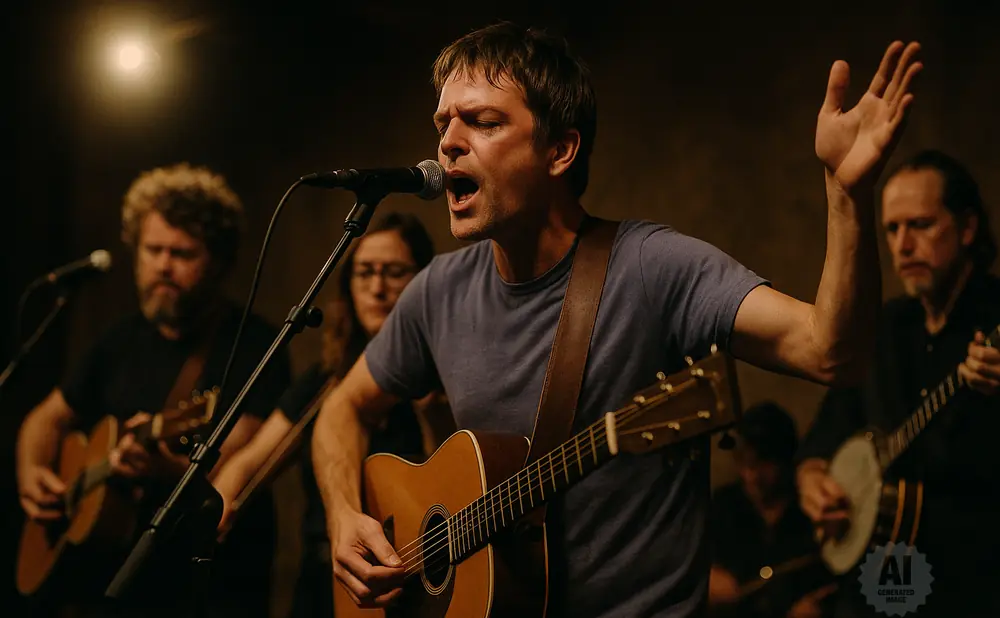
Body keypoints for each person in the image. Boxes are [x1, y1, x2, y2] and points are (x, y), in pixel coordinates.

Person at [311, 22, 925, 618]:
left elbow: (831, 352)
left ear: (560, 150)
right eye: (444, 123)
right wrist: (344, 515)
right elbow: (342, 410)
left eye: (484, 121)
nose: (448, 142)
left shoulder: (652, 267)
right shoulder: (436, 292)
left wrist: (846, 194)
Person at [15, 163, 291, 618]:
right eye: (153, 250)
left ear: (219, 261)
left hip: (207, 584)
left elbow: (239, 462)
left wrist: (167, 469)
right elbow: (45, 419)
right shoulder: (117, 341)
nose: (163, 266)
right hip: (110, 579)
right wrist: (32, 475)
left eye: (182, 254)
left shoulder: (255, 344)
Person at [211, 212, 453, 618]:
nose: (377, 289)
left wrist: (428, 406)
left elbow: (451, 484)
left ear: (422, 281)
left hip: (412, 589)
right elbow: (251, 462)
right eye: (364, 273)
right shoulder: (324, 383)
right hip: (325, 587)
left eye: (394, 273)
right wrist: (218, 501)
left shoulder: (444, 375)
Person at [796, 150, 1000, 618]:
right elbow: (824, 434)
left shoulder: (994, 320)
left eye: (921, 225)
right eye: (892, 229)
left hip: (975, 582)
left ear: (967, 229)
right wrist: (813, 481)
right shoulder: (883, 327)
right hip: (884, 581)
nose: (903, 245)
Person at [709, 402, 836, 618]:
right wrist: (706, 581)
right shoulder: (723, 505)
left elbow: (836, 579)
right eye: (744, 463)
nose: (751, 476)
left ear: (786, 459)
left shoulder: (814, 506)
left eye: (763, 464)